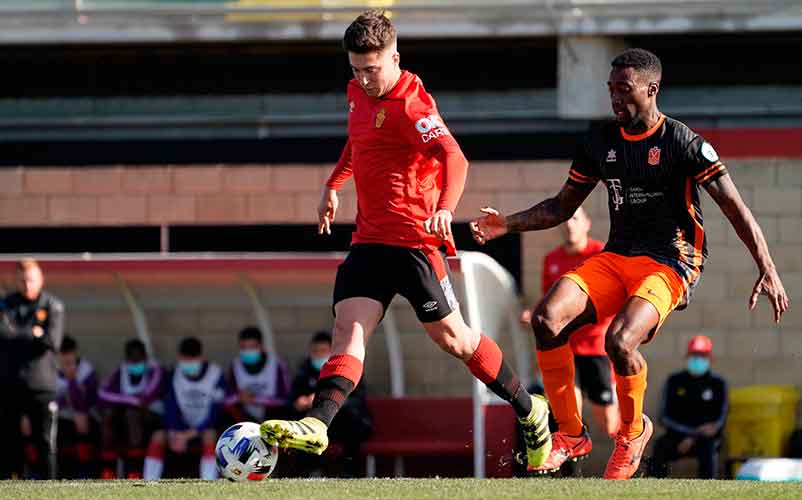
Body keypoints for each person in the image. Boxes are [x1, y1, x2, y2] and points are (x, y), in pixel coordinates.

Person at [470, 48, 789, 480]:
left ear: (651, 89)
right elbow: (562, 206)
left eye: (624, 89)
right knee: (546, 319)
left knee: (619, 342)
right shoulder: (600, 143)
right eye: (610, 90)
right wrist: (506, 224)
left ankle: (632, 433)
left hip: (672, 261)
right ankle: (570, 433)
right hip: (617, 257)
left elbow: (736, 208)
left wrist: (765, 266)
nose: (615, 99)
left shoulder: (683, 143)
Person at [260, 10, 551, 471]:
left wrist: (446, 208)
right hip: (370, 242)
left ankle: (529, 408)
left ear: (395, 57)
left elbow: (454, 156)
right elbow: (358, 141)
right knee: (347, 333)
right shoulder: (357, 90)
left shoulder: (414, 107)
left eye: (372, 69)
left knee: (455, 340)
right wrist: (333, 184)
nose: (364, 79)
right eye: (355, 69)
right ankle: (317, 424)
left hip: (416, 245)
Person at [521, 207, 619, 439]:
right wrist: (533, 313)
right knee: (568, 415)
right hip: (564, 347)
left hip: (596, 347)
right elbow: (549, 301)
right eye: (565, 219)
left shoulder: (601, 254)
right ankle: (573, 460)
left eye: (575, 219)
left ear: (587, 223)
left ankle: (628, 455)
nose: (569, 224)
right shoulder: (552, 259)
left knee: (607, 424)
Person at [0, 259, 64, 479]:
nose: (27, 285)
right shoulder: (6, 305)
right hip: (11, 383)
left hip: (42, 385)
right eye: (23, 280)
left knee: (45, 440)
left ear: (41, 279)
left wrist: (19, 333)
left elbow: (52, 342)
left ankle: (49, 488)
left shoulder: (52, 305)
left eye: (31, 280)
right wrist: (33, 333)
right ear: (16, 280)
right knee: (10, 439)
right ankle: (12, 484)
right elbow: (3, 335)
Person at [289, 331, 372, 477]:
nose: (319, 355)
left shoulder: (347, 371)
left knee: (352, 421)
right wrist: (299, 403)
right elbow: (293, 399)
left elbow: (357, 400)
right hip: (316, 424)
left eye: (323, 351)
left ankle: (349, 471)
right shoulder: (304, 372)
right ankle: (308, 472)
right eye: (315, 351)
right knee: (302, 424)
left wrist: (324, 402)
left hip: (343, 424)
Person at [649, 335, 728, 479]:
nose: (697, 359)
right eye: (694, 355)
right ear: (687, 356)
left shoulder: (718, 384)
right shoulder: (674, 381)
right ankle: (654, 484)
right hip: (677, 436)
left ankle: (708, 487)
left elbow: (721, 416)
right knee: (659, 446)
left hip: (705, 438)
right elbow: (663, 416)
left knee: (710, 447)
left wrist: (695, 436)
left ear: (709, 358)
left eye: (701, 355)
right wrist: (687, 434)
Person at [156, 337, 226, 480]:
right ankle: (149, 482)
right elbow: (170, 408)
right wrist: (173, 432)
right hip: (182, 427)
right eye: (185, 360)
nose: (189, 365)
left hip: (205, 428)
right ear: (179, 358)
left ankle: (208, 483)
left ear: (201, 357)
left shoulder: (216, 374)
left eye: (192, 360)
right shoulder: (173, 375)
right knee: (158, 437)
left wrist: (191, 434)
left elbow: (215, 413)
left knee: (210, 436)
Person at [97, 338, 164, 479]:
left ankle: (135, 469)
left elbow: (146, 398)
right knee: (109, 416)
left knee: (132, 415)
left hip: (153, 416)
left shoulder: (155, 370)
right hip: (127, 412)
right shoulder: (121, 371)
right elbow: (102, 394)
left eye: (138, 357)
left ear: (145, 356)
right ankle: (108, 469)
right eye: (132, 358)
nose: (135, 361)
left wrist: (127, 399)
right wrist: (129, 400)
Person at [224, 326, 292, 424]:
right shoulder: (235, 365)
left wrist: (255, 399)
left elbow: (285, 399)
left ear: (261, 346)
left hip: (273, 416)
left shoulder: (277, 364)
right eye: (244, 347)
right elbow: (227, 399)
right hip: (246, 418)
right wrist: (239, 398)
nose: (248, 351)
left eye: (252, 347)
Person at [55, 335, 98, 478]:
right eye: (63, 354)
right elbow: (46, 398)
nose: (67, 359)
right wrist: (64, 400)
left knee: (81, 419)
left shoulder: (86, 370)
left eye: (70, 353)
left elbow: (85, 402)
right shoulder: (50, 369)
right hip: (57, 412)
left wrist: (71, 379)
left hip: (83, 413)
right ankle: (39, 469)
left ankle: (83, 469)